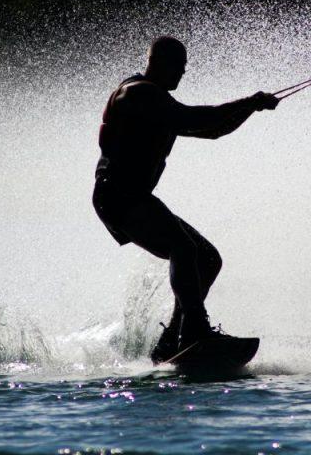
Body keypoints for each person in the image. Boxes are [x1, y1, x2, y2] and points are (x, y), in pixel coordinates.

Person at [92, 36, 279, 364]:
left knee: (207, 259)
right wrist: (250, 102)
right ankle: (194, 332)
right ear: (158, 63)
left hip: (132, 195)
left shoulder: (157, 100)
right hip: (117, 194)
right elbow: (198, 119)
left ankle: (173, 342)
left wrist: (251, 108)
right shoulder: (137, 93)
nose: (182, 73)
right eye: (178, 66)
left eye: (184, 67)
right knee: (184, 247)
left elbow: (213, 130)